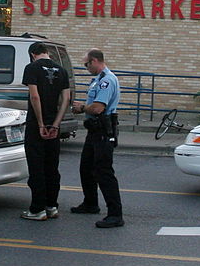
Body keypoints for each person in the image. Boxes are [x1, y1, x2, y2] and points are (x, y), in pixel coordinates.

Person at [71, 48, 124, 228]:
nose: (85, 67)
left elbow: (98, 108)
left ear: (94, 61)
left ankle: (115, 214)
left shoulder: (106, 81)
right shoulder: (97, 80)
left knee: (104, 172)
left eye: (86, 64)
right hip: (94, 131)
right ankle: (91, 203)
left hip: (103, 131)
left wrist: (82, 108)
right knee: (86, 168)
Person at [19, 42, 71, 221]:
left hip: (36, 126)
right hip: (54, 125)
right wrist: (56, 124)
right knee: (52, 167)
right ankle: (52, 206)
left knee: (36, 167)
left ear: (33, 54)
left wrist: (40, 124)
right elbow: (66, 98)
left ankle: (37, 209)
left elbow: (35, 96)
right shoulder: (62, 71)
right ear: (47, 53)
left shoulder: (31, 68)